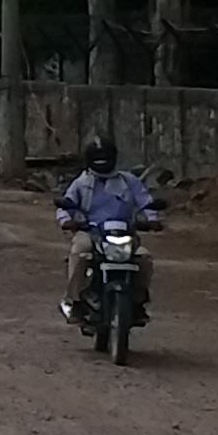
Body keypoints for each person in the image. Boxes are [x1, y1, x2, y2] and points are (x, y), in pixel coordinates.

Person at [53, 133, 158, 323]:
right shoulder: (82, 182)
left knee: (143, 258)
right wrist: (66, 221)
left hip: (125, 232)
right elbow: (65, 204)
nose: (102, 161)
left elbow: (146, 202)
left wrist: (152, 219)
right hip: (90, 232)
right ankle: (75, 301)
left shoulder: (128, 181)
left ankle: (138, 301)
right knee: (79, 254)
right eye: (98, 157)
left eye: (105, 157)